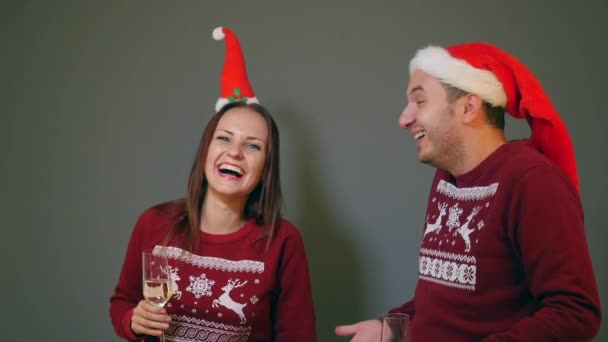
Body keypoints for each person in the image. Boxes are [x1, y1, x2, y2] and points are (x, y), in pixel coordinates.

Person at [336, 43, 601, 341]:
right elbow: (443, 302)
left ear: (468, 108)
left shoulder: (533, 181)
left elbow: (575, 312)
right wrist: (389, 329)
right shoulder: (447, 179)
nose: (404, 119)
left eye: (420, 101)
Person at [110, 27, 317, 341]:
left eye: (252, 146)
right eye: (224, 138)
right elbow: (122, 303)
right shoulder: (153, 224)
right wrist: (132, 319)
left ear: (266, 170)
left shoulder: (283, 241)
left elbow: (297, 336)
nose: (234, 151)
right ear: (206, 150)